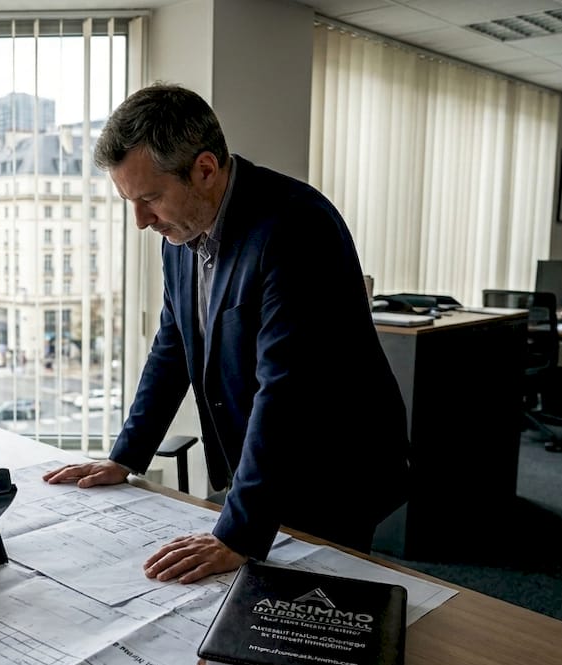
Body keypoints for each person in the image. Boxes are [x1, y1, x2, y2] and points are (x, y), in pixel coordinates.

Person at [43, 83, 410, 585]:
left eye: (149, 198)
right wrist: (124, 457)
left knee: (316, 612)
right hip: (270, 465)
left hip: (334, 465)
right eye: (130, 201)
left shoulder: (295, 228)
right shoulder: (181, 229)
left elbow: (286, 389)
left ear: (205, 170)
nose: (140, 222)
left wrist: (237, 534)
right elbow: (172, 347)